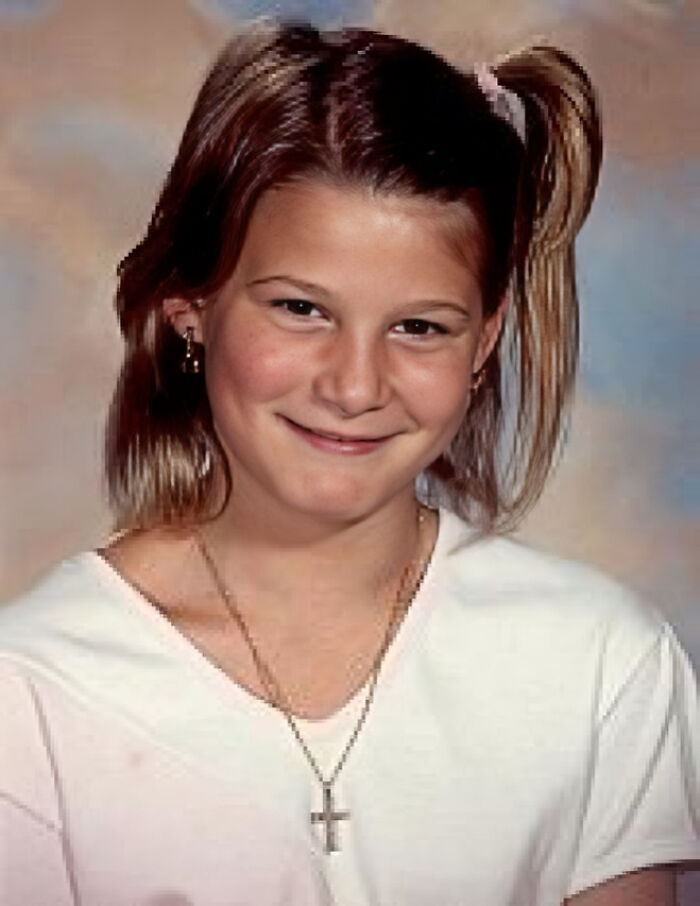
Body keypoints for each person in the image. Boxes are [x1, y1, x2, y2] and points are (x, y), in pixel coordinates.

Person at [0, 20, 698, 906]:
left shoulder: (600, 666)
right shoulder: (31, 691)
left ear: (484, 342)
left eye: (419, 327)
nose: (355, 383)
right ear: (191, 307)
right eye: (300, 308)